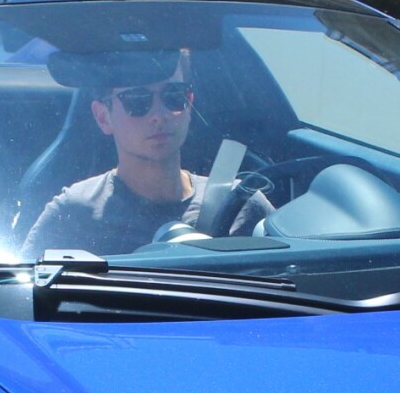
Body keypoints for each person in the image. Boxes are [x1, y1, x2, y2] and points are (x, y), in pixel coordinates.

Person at [22, 50, 274, 256]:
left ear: (190, 104)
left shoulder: (242, 204)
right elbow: (19, 297)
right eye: (137, 100)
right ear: (102, 117)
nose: (158, 115)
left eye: (174, 96)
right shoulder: (74, 214)